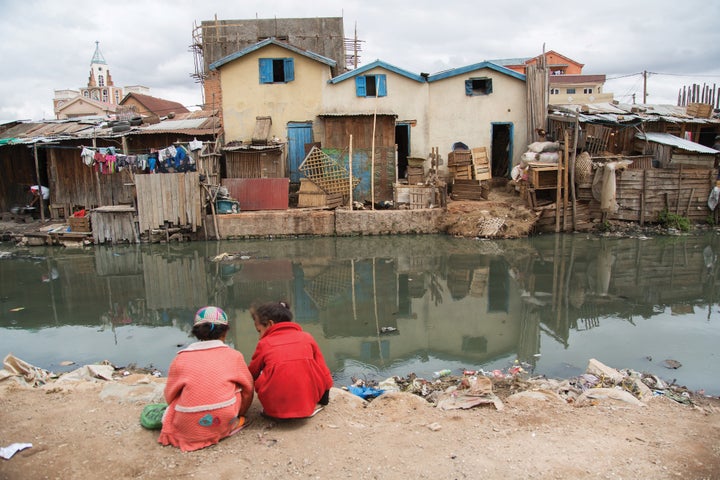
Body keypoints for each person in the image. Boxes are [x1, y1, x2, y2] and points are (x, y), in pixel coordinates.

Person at [158, 306, 254, 452]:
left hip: (186, 425)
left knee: (180, 395)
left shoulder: (181, 358)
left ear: (196, 332)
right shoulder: (234, 356)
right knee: (238, 387)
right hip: (223, 420)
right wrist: (242, 412)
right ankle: (232, 423)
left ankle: (194, 429)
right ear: (225, 331)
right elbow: (248, 389)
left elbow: (170, 396)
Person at [249, 301, 333, 419]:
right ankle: (307, 405)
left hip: (274, 409)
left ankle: (275, 409)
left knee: (266, 372)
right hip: (307, 407)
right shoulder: (307, 337)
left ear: (270, 324)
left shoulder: (264, 343)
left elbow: (251, 374)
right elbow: (324, 371)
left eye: (259, 331)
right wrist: (324, 399)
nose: (259, 337)